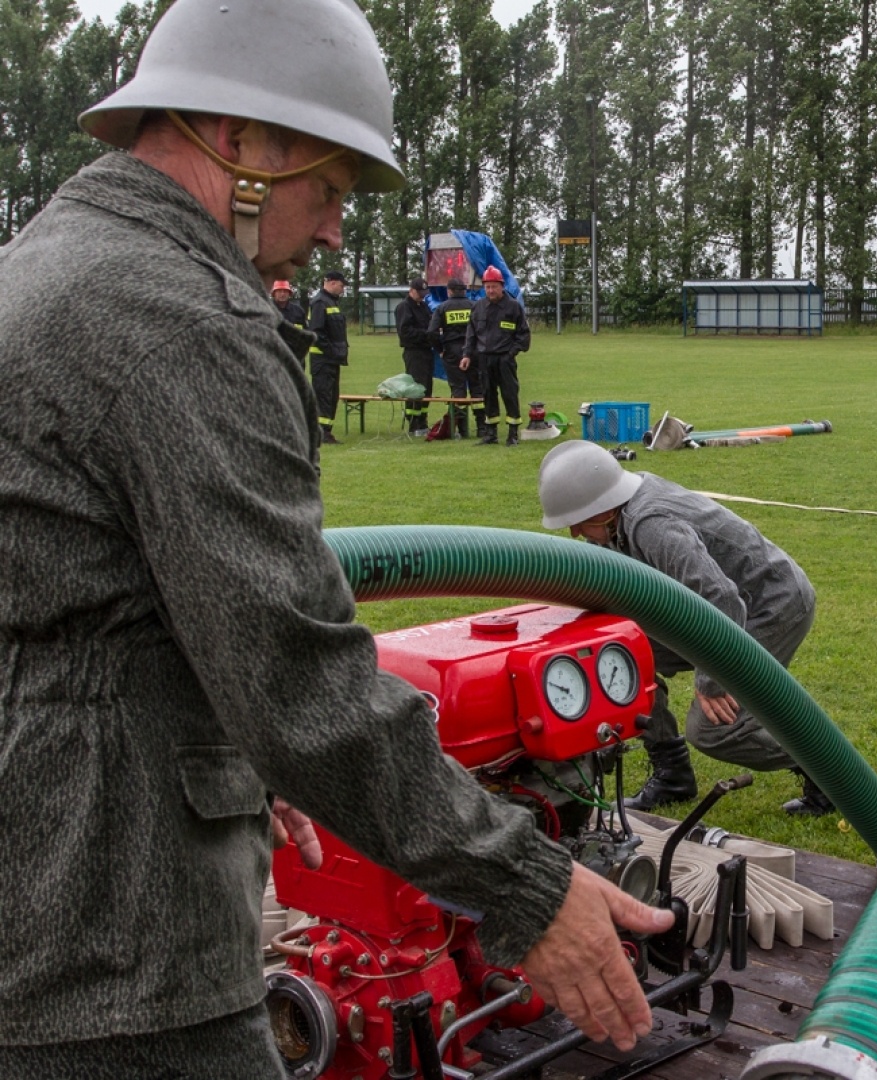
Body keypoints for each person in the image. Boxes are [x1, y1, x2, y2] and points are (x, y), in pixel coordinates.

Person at [0, 1, 671, 1076]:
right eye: (333, 188)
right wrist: (525, 885)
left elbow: (79, 602)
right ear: (244, 142)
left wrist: (231, 753)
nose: (332, 231)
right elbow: (299, 674)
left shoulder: (51, 265)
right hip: (112, 952)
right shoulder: (177, 318)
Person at [538, 440, 834, 817]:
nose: (576, 534)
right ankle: (672, 775)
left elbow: (722, 600)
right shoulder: (624, 508)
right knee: (626, 653)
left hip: (770, 605)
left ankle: (830, 773)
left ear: (604, 509)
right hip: (716, 610)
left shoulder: (651, 524)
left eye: (578, 522)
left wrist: (712, 680)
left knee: (713, 731)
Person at [463, 264, 530, 446]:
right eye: (487, 287)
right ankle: (490, 433)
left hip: (504, 359)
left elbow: (523, 334)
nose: (490, 290)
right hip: (484, 358)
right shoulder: (479, 307)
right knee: (488, 395)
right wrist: (467, 355)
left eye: (494, 286)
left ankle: (513, 433)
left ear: (501, 286)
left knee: (509, 394)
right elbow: (471, 333)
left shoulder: (513, 307)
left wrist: (512, 353)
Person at [430, 276, 484, 438]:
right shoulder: (474, 306)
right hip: (474, 351)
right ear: (464, 290)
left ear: (449, 291)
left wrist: (440, 349)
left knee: (458, 390)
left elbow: (431, 332)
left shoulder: (443, 308)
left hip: (452, 352)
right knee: (477, 389)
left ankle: (462, 429)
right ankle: (482, 427)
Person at [306, 268, 349, 444]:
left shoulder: (331, 302)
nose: (342, 289)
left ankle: (326, 431)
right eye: (341, 285)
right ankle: (321, 433)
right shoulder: (319, 303)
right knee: (323, 395)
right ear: (331, 282)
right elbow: (316, 332)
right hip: (323, 359)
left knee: (332, 396)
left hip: (332, 359)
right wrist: (332, 351)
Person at [396, 276, 435, 437]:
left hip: (426, 351)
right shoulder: (404, 307)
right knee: (415, 387)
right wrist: (427, 334)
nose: (422, 295)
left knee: (426, 387)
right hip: (414, 352)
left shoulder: (424, 306)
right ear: (411, 291)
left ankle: (423, 420)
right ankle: (413, 422)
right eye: (419, 292)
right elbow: (405, 332)